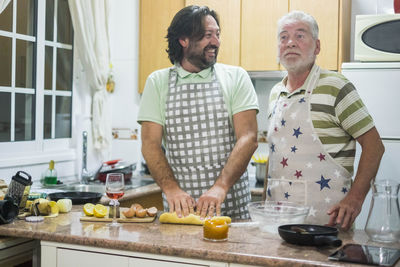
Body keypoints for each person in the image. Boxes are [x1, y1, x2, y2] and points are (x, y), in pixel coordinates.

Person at [266, 11, 384, 230]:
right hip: (278, 224)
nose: (290, 42)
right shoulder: (275, 93)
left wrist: (356, 198)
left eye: (300, 36)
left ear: (317, 47)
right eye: (283, 37)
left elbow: (374, 147)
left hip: (327, 225)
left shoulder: (336, 86)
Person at [137, 5, 259, 220]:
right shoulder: (158, 82)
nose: (216, 42)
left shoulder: (236, 77)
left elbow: (248, 137)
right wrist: (172, 189)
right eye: (207, 35)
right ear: (183, 40)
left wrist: (221, 187)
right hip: (180, 213)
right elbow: (150, 144)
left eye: (218, 34)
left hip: (231, 209)